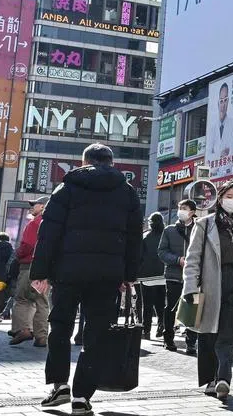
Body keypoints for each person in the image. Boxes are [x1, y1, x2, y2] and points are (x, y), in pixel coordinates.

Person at [33, 144, 143, 416]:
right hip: (108, 274)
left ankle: (60, 385)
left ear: (83, 162)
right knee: (97, 333)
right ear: (112, 163)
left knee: (60, 326)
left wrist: (40, 272)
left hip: (67, 272)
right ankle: (82, 395)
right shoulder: (127, 192)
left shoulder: (66, 188)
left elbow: (48, 233)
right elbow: (134, 238)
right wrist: (129, 275)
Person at [183, 182, 233, 403]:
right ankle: (210, 378)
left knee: (228, 335)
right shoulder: (204, 224)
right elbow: (192, 261)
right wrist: (190, 288)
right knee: (208, 335)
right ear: (220, 199)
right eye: (229, 195)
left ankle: (223, 378)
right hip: (209, 286)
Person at [158, 199, 199, 354]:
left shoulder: (199, 229)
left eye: (185, 208)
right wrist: (177, 260)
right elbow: (161, 251)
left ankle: (191, 342)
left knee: (192, 308)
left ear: (193, 212)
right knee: (171, 308)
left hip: (194, 277)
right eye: (180, 208)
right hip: (174, 276)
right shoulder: (169, 230)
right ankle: (168, 339)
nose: (181, 210)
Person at [10, 197, 49, 347]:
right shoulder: (54, 224)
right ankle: (42, 337)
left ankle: (23, 330)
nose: (31, 207)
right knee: (42, 302)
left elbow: (27, 245)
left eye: (34, 205)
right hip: (45, 268)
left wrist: (18, 254)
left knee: (22, 299)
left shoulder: (34, 223)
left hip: (29, 267)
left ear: (42, 206)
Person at [137, 212, 167, 340]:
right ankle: (161, 325)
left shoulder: (145, 237)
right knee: (161, 304)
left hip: (147, 276)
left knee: (147, 304)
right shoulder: (166, 236)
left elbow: (139, 256)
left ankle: (146, 330)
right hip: (163, 275)